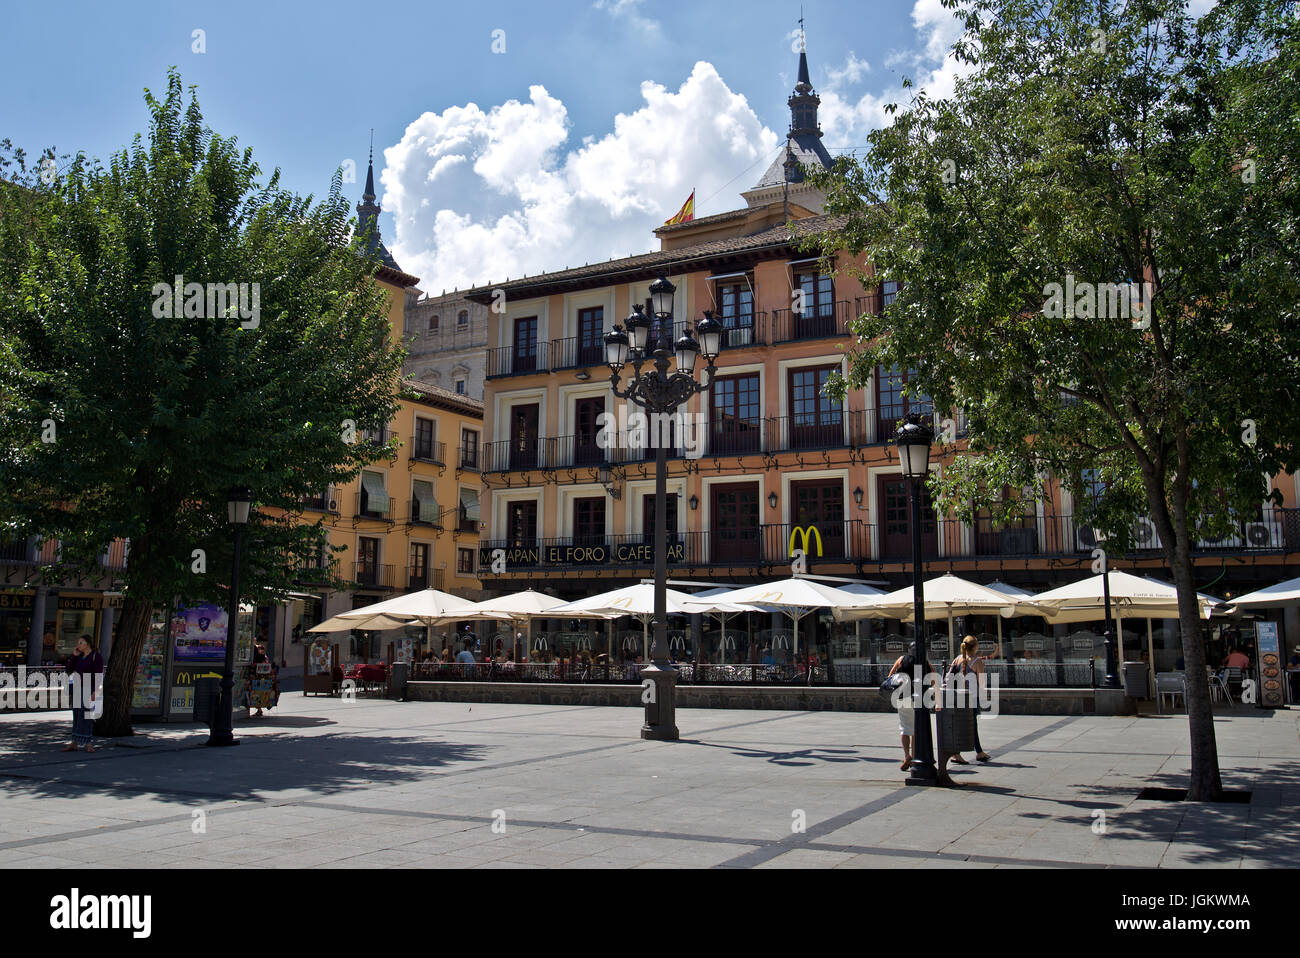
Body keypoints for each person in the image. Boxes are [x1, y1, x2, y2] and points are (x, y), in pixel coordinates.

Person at [947, 636, 991, 764]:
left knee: (960, 724)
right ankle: (973, 752)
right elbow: (981, 683)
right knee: (971, 725)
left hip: (958, 697)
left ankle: (971, 752)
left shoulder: (957, 659)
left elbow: (949, 678)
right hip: (972, 697)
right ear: (975, 647)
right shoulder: (977, 662)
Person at [64, 634, 104, 753]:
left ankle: (87, 743)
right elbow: (69, 669)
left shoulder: (96, 657)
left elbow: (98, 674)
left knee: (86, 716)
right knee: (76, 714)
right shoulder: (79, 656)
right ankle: (74, 742)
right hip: (77, 687)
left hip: (88, 687)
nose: (78, 645)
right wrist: (74, 656)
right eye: (78, 642)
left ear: (88, 644)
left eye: (81, 643)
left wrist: (95, 691)